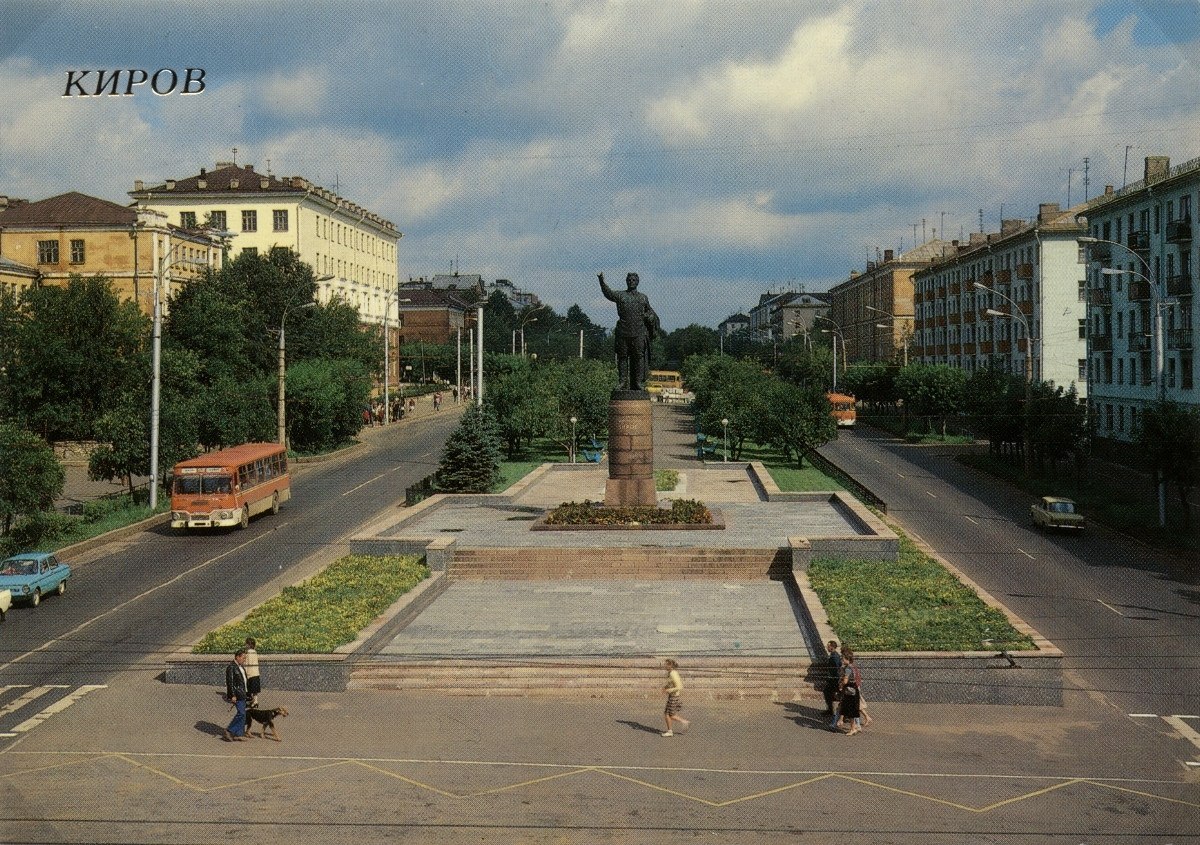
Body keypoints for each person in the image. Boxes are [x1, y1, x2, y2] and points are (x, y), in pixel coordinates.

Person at [598, 271, 660, 391]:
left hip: (639, 332)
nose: (631, 281)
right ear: (626, 281)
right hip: (623, 332)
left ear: (637, 282)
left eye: (633, 280)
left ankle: (638, 382)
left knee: (639, 357)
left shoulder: (643, 297)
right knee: (622, 357)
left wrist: (650, 316)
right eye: (629, 280)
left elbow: (651, 312)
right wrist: (601, 281)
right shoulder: (621, 295)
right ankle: (622, 382)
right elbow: (608, 293)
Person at [223, 649, 249, 742]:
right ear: (237, 657)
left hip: (243, 693)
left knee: (243, 714)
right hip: (237, 694)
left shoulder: (240, 667)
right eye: (243, 657)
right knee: (241, 713)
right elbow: (230, 682)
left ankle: (239, 734)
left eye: (245, 658)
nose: (244, 659)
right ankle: (229, 730)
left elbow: (243, 681)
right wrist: (232, 695)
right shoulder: (231, 667)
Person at [836, 646, 862, 735]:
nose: (842, 661)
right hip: (854, 690)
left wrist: (841, 684)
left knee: (850, 710)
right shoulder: (853, 667)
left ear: (847, 659)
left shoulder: (847, 669)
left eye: (843, 659)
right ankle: (854, 727)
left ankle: (853, 728)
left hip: (849, 691)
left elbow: (845, 681)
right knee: (853, 710)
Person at [661, 658, 690, 737]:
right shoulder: (670, 673)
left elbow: (680, 686)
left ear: (670, 665)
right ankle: (670, 731)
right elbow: (671, 683)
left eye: (666, 664)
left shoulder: (673, 673)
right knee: (666, 714)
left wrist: (668, 690)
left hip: (674, 696)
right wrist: (665, 687)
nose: (664, 666)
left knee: (671, 715)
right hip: (672, 695)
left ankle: (684, 722)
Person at [821, 639, 843, 717]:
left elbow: (838, 667)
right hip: (833, 679)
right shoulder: (834, 655)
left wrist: (836, 677)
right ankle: (831, 710)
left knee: (829, 693)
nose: (827, 647)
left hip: (834, 679)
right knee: (828, 693)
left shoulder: (835, 657)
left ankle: (833, 711)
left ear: (831, 647)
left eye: (828, 646)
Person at [243, 637, 261, 707]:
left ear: (248, 645)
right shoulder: (255, 652)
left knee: (250, 689)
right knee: (255, 690)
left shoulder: (249, 653)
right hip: (256, 672)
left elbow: (248, 664)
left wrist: (245, 673)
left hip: (250, 673)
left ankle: (254, 701)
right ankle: (255, 701)